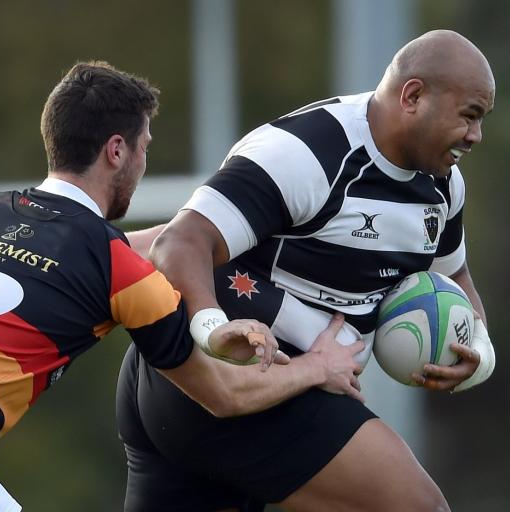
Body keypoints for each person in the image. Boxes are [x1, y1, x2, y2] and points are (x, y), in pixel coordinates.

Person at [0, 61, 366, 511]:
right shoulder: (120, 272)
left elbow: (102, 252)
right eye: (144, 148)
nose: (142, 163)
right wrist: (317, 367)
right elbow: (225, 396)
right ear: (117, 150)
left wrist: (226, 230)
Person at [116, 29, 497, 511]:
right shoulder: (307, 152)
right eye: (469, 116)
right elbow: (179, 244)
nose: (475, 136)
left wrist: (480, 351)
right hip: (238, 382)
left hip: (221, 395)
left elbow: (454, 278)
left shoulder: (444, 186)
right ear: (413, 96)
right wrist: (215, 332)